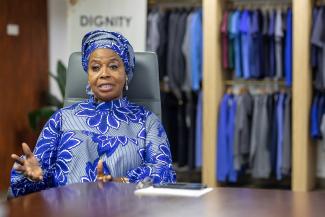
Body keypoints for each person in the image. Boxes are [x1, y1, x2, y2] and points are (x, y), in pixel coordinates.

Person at [9, 30, 176, 197]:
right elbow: (35, 182)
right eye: (95, 67)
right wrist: (34, 177)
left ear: (126, 73)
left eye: (113, 66)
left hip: (125, 209)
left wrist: (122, 182)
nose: (104, 74)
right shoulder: (62, 119)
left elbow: (164, 173)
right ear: (88, 76)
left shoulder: (147, 121)